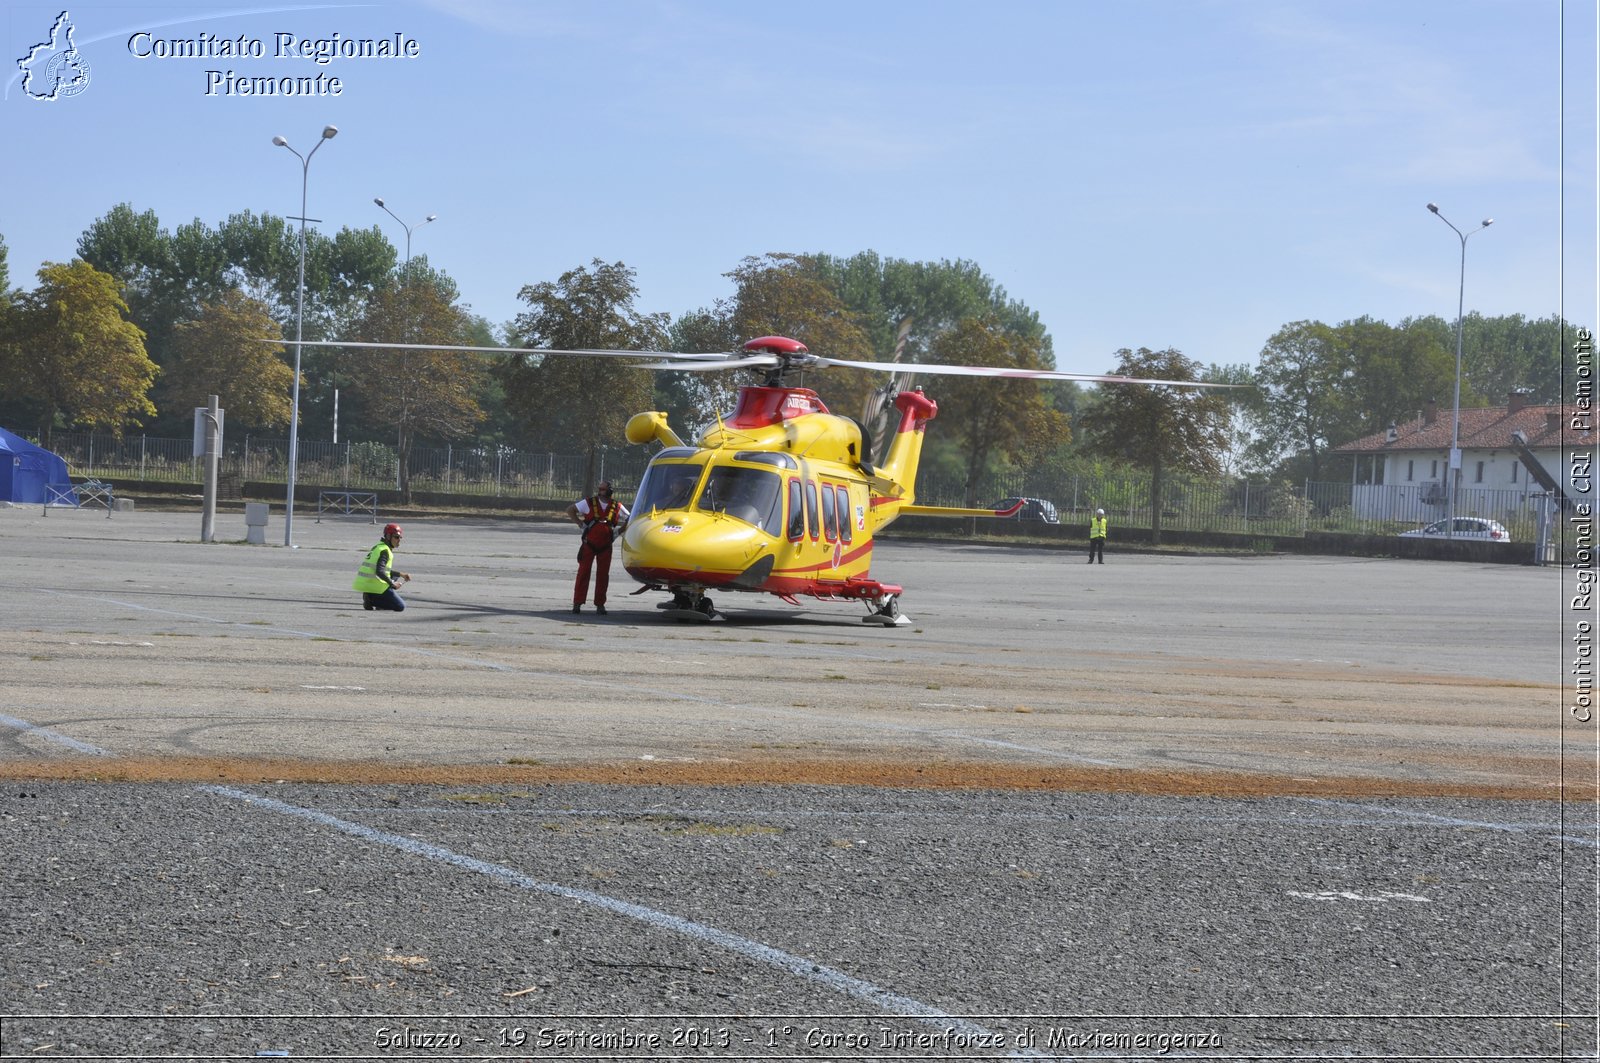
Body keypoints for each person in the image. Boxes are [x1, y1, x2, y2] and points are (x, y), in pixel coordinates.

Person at [568, 481, 629, 615]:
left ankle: (600, 604)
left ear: (610, 491)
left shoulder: (617, 506)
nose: (601, 491)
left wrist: (619, 532)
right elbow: (570, 510)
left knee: (603, 576)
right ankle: (577, 603)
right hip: (589, 545)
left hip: (605, 547)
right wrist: (580, 524)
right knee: (583, 573)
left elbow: (630, 518)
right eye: (599, 489)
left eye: (603, 489)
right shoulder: (589, 503)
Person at [353, 523, 411, 611]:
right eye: (396, 537)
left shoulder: (379, 546)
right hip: (374, 584)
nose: (399, 540)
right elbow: (379, 571)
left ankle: (373, 597)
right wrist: (392, 584)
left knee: (395, 576)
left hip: (368, 583)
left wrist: (401, 574)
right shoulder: (385, 551)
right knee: (400, 606)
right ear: (388, 536)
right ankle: (371, 600)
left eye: (400, 538)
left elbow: (384, 570)